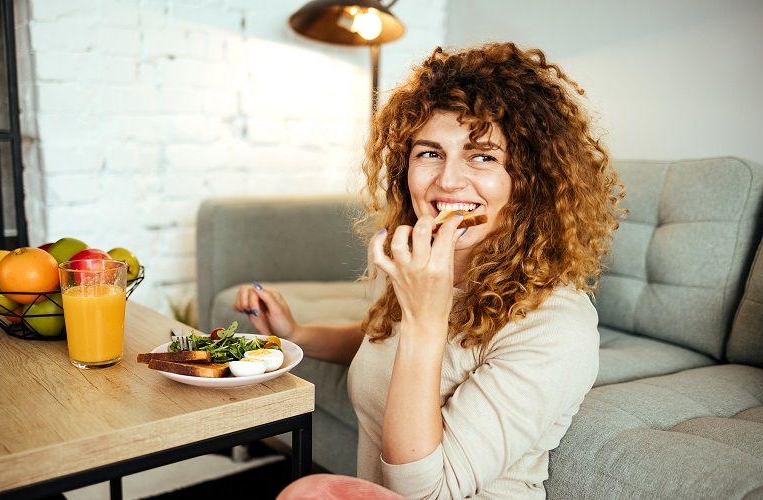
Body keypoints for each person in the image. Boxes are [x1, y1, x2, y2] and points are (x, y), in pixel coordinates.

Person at [233, 41, 623, 499]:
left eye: (482, 156)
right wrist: (299, 333)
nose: (448, 181)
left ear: (530, 182)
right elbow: (385, 341)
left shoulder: (556, 325)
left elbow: (423, 492)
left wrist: (426, 315)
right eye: (430, 153)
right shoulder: (423, 262)